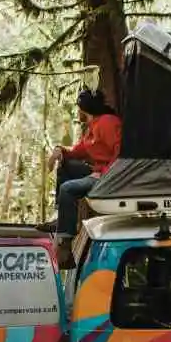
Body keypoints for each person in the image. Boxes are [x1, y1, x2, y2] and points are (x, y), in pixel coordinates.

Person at [40, 88, 121, 243]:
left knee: (67, 188)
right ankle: (61, 217)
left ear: (84, 110)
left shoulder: (107, 122)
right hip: (98, 173)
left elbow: (120, 153)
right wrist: (60, 150)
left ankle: (65, 238)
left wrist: (104, 175)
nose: (77, 113)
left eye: (79, 109)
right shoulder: (92, 127)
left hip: (109, 177)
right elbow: (77, 151)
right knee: (65, 164)